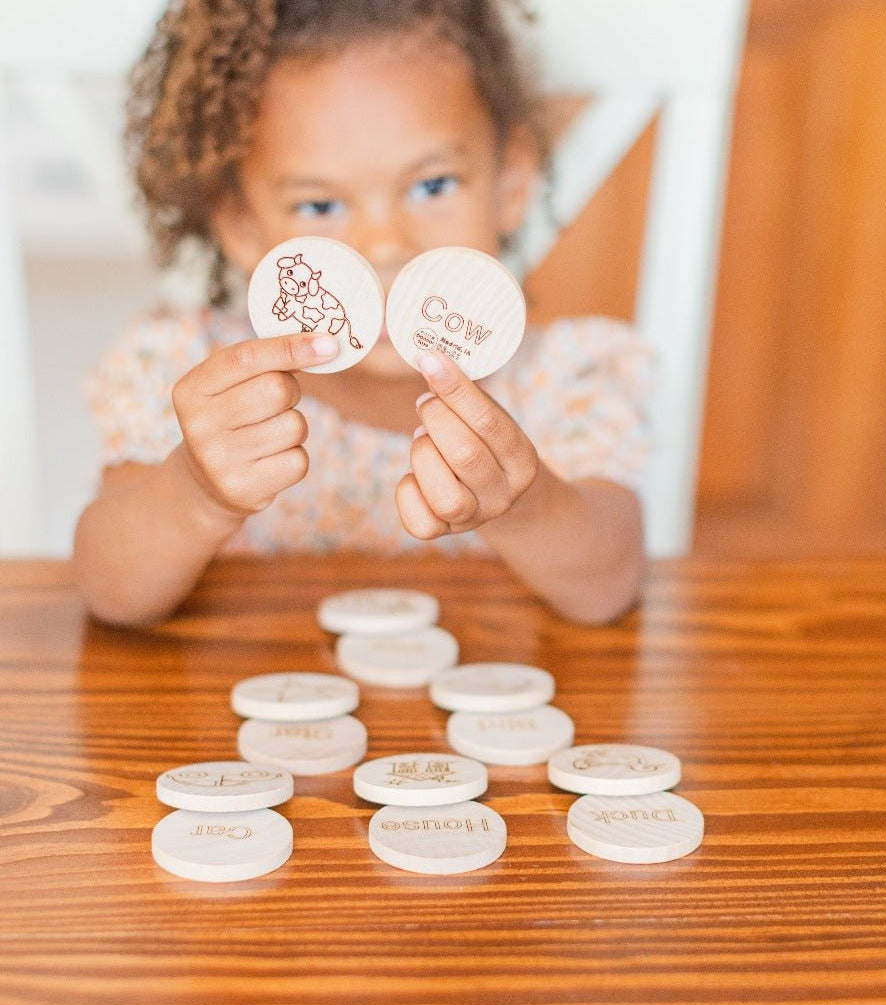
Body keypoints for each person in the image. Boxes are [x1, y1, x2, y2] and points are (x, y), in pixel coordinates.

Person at [73, 0, 653, 628]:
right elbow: (111, 592)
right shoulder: (185, 371)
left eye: (432, 186)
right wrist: (196, 492)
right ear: (241, 225)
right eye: (320, 206)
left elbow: (608, 587)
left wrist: (524, 502)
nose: (383, 245)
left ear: (510, 181)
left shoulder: (562, 379)